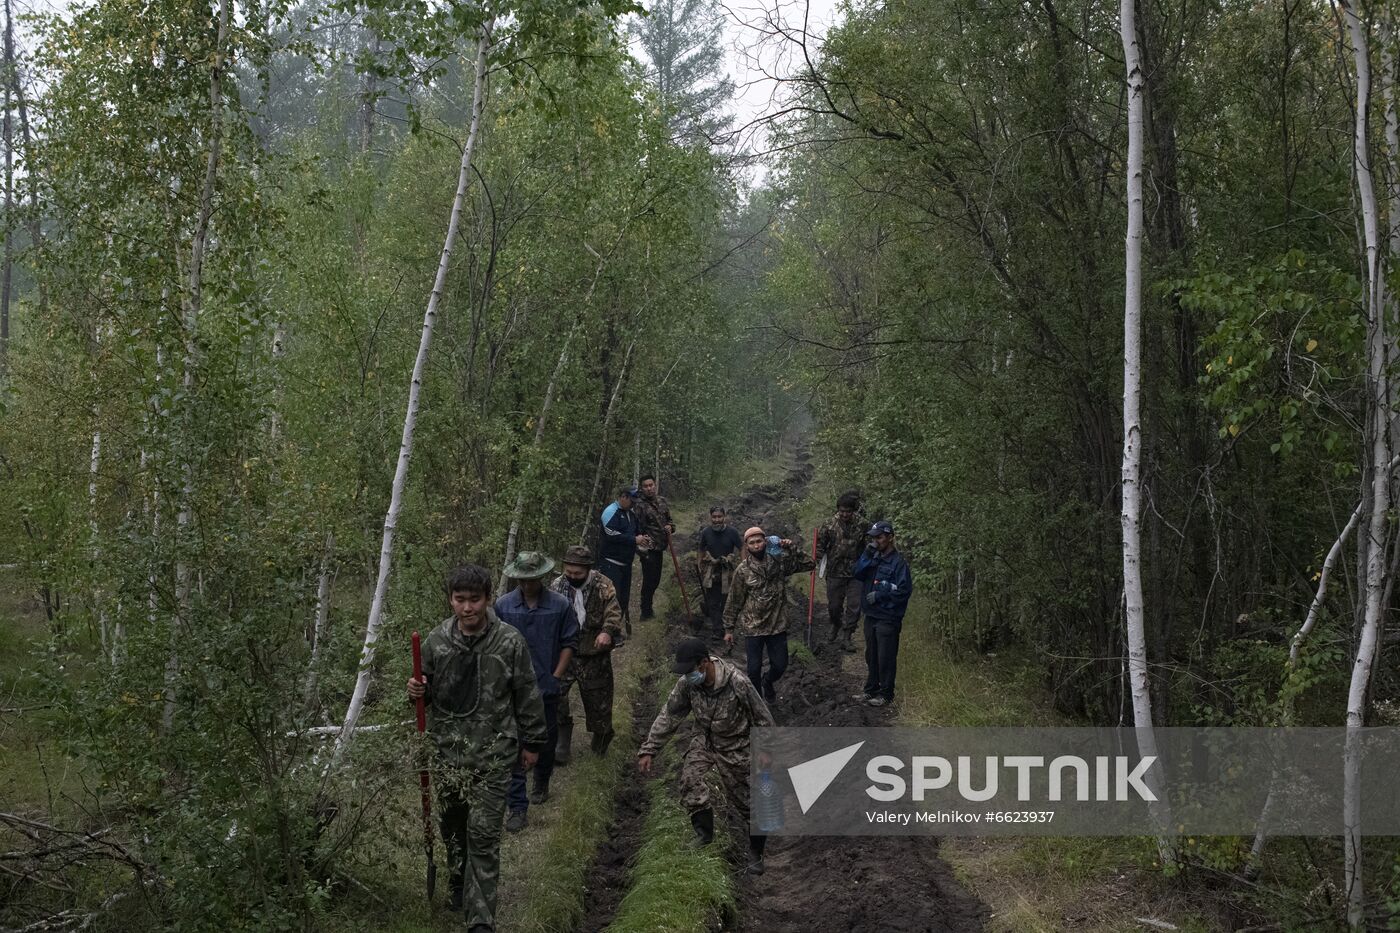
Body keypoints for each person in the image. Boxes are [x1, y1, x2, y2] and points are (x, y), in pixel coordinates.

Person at [407, 565, 547, 932]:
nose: (467, 608)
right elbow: (426, 696)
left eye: (474, 600)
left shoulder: (509, 642)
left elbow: (527, 693)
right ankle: (458, 881)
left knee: (483, 835)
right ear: (451, 600)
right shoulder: (437, 642)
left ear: (487, 600)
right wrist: (417, 690)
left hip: (494, 755)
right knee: (453, 826)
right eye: (460, 600)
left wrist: (532, 742)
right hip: (448, 754)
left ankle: (481, 920)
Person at [637, 637, 775, 875]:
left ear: (704, 663)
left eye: (690, 670)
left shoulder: (737, 682)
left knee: (750, 803)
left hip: (737, 744)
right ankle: (704, 836)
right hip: (705, 739)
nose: (687, 675)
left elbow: (762, 718)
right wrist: (649, 749)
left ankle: (756, 853)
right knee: (690, 780)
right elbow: (669, 715)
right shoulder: (687, 684)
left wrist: (765, 751)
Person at [494, 550, 579, 830]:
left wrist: (556, 676)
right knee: (512, 742)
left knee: (545, 738)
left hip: (546, 686)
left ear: (542, 577)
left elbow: (569, 642)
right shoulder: (503, 606)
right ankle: (517, 806)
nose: (528, 585)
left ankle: (542, 781)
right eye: (523, 580)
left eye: (533, 580)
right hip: (511, 690)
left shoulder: (559, 605)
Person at [548, 545, 624, 764]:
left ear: (588, 570)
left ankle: (602, 735)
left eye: (577, 574)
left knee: (597, 700)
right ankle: (562, 741)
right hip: (566, 652)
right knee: (556, 694)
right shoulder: (557, 586)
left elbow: (613, 611)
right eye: (569, 573)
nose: (572, 577)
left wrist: (607, 632)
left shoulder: (603, 585)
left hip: (594, 652)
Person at [722, 526, 816, 704]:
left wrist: (791, 548)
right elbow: (734, 600)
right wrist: (728, 628)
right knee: (753, 669)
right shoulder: (743, 571)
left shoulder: (779, 562)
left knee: (780, 665)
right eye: (752, 543)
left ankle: (769, 682)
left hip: (777, 624)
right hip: (753, 626)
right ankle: (758, 705)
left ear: (765, 542)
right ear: (747, 547)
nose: (756, 545)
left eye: (759, 541)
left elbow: (810, 564)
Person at [851, 521, 913, 708]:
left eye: (879, 537)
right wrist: (866, 555)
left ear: (890, 537)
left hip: (888, 616)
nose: (876, 541)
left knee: (885, 656)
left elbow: (904, 591)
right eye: (873, 538)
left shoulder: (898, 563)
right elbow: (857, 573)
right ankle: (870, 690)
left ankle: (886, 694)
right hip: (871, 615)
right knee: (871, 655)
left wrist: (881, 594)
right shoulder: (873, 556)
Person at [815, 491, 866, 653]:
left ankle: (847, 636)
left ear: (854, 511)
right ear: (838, 510)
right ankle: (835, 624)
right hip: (835, 571)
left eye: (848, 511)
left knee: (854, 605)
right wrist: (815, 561)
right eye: (842, 511)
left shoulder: (863, 525)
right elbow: (820, 546)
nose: (845, 514)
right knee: (834, 606)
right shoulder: (829, 524)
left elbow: (870, 545)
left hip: (856, 572)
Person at [599, 486, 651, 629]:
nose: (634, 503)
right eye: (631, 500)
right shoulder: (610, 512)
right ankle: (607, 629)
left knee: (623, 598)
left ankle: (616, 628)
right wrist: (634, 540)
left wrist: (643, 538)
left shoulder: (630, 513)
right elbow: (611, 534)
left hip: (626, 563)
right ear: (623, 497)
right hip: (611, 563)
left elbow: (636, 531)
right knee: (611, 598)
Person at [634, 474, 676, 621]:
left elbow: (670, 521)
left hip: (660, 547)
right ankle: (645, 611)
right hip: (648, 549)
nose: (649, 488)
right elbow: (636, 528)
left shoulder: (662, 501)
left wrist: (670, 527)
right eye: (645, 486)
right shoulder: (639, 505)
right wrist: (639, 541)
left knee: (656, 580)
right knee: (649, 580)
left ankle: (647, 607)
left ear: (655, 485)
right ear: (642, 488)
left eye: (651, 485)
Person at [696, 506, 742, 638]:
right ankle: (717, 629)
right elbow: (701, 548)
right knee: (712, 601)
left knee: (726, 600)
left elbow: (742, 546)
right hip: (712, 571)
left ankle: (727, 628)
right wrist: (699, 563)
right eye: (714, 517)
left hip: (727, 572)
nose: (717, 520)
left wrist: (744, 564)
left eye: (719, 517)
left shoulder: (732, 532)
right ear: (710, 517)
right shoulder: (706, 532)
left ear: (724, 517)